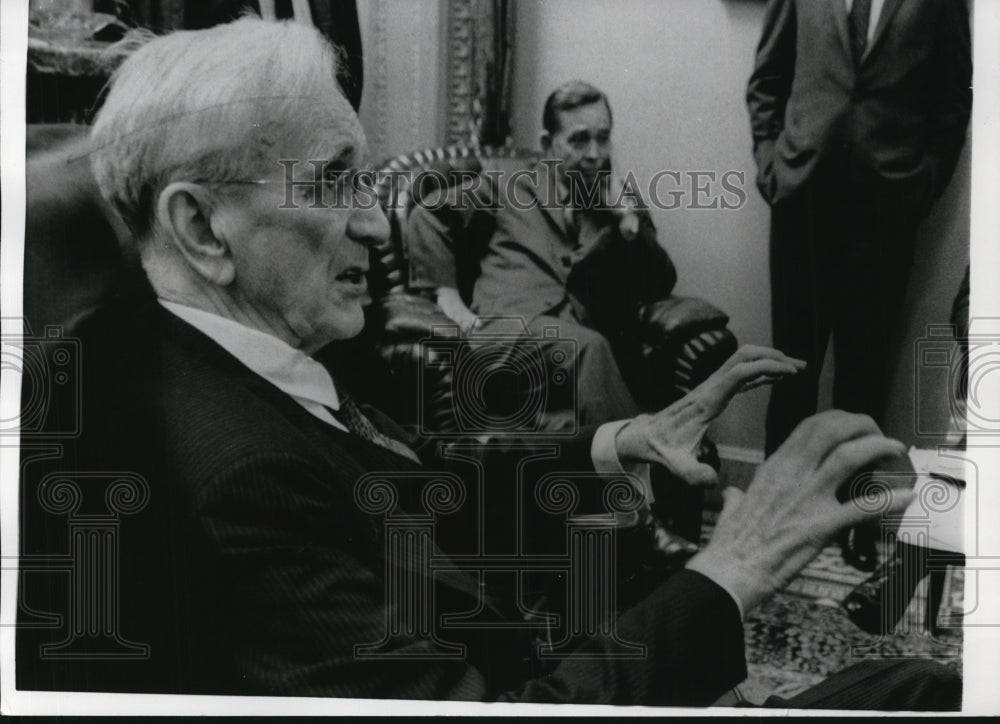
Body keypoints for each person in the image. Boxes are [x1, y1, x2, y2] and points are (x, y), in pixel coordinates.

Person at [17, 18, 959, 710]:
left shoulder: (234, 351)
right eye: (337, 178)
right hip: (529, 675)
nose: (371, 218)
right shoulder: (233, 478)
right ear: (199, 226)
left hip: (520, 630)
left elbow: (414, 471)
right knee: (918, 693)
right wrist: (735, 568)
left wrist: (622, 436)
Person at [746, 0, 972, 570]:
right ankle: (775, 514)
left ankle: (856, 521)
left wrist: (924, 184)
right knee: (789, 367)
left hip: (886, 204)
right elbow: (767, 80)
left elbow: (953, 96)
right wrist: (772, 162)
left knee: (864, 371)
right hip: (803, 198)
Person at [406, 80, 678, 426]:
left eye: (603, 137)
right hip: (506, 332)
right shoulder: (509, 184)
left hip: (569, 352)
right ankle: (642, 469)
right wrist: (446, 294)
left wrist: (627, 222)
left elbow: (660, 283)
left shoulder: (620, 202)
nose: (595, 153)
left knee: (576, 396)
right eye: (579, 139)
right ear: (549, 145)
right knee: (588, 349)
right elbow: (429, 212)